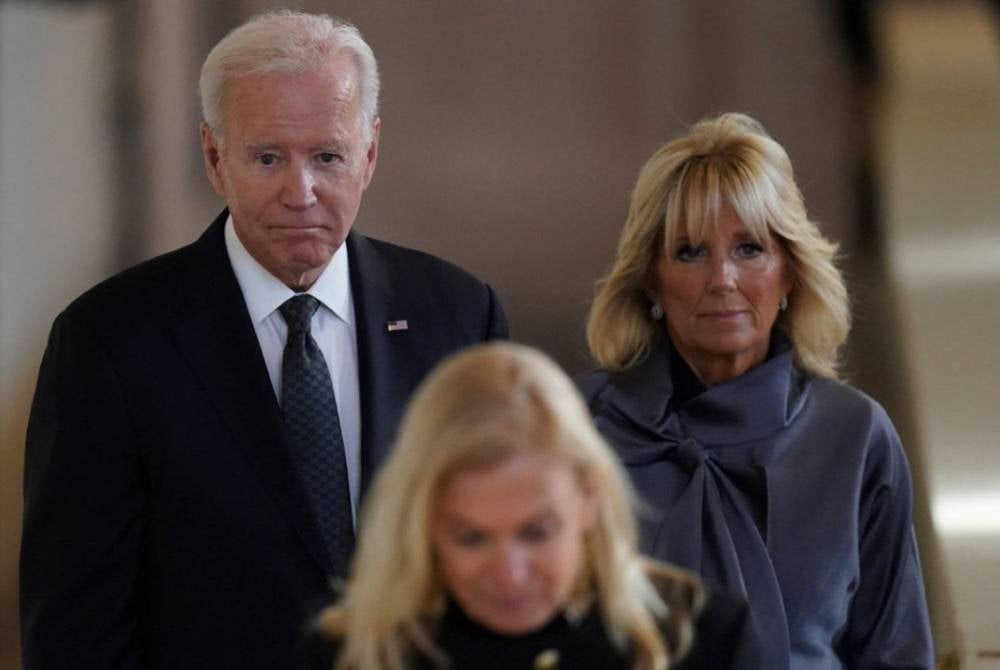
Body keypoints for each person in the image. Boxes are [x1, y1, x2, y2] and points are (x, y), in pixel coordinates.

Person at [20, 10, 506, 669]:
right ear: (215, 158)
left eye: (327, 157)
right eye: (269, 157)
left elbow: (506, 581)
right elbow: (73, 635)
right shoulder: (108, 343)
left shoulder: (458, 316)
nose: (299, 193)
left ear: (369, 154)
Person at [579, 112, 933, 668]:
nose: (722, 278)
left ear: (789, 270)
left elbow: (895, 652)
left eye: (749, 249)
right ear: (652, 277)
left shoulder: (855, 435)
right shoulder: (581, 427)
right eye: (691, 252)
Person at [318, 342, 750, 670]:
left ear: (589, 499)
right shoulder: (351, 653)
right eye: (471, 537)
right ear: (424, 523)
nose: (510, 573)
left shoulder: (699, 636)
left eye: (537, 532)